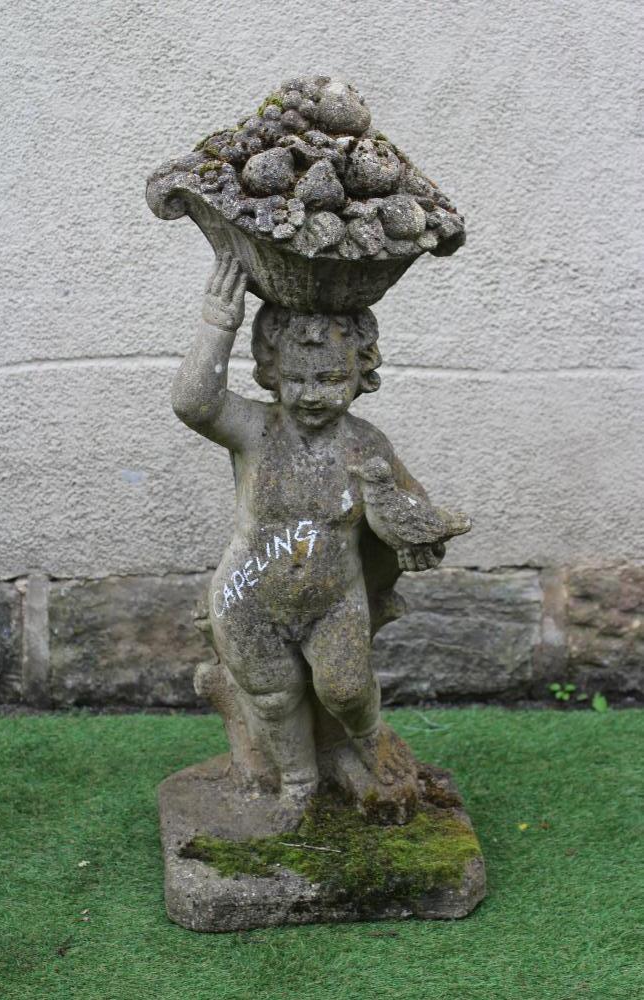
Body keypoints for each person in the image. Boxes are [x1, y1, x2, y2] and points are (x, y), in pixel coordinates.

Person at [172, 252, 451, 820]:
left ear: (359, 373)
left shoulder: (365, 444)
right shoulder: (256, 429)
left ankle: (367, 735)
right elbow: (194, 404)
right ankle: (298, 782)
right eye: (296, 379)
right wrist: (216, 326)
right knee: (273, 699)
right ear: (273, 372)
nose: (312, 395)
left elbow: (409, 508)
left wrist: (419, 538)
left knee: (346, 687)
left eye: (329, 378)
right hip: (248, 599)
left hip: (332, 601)